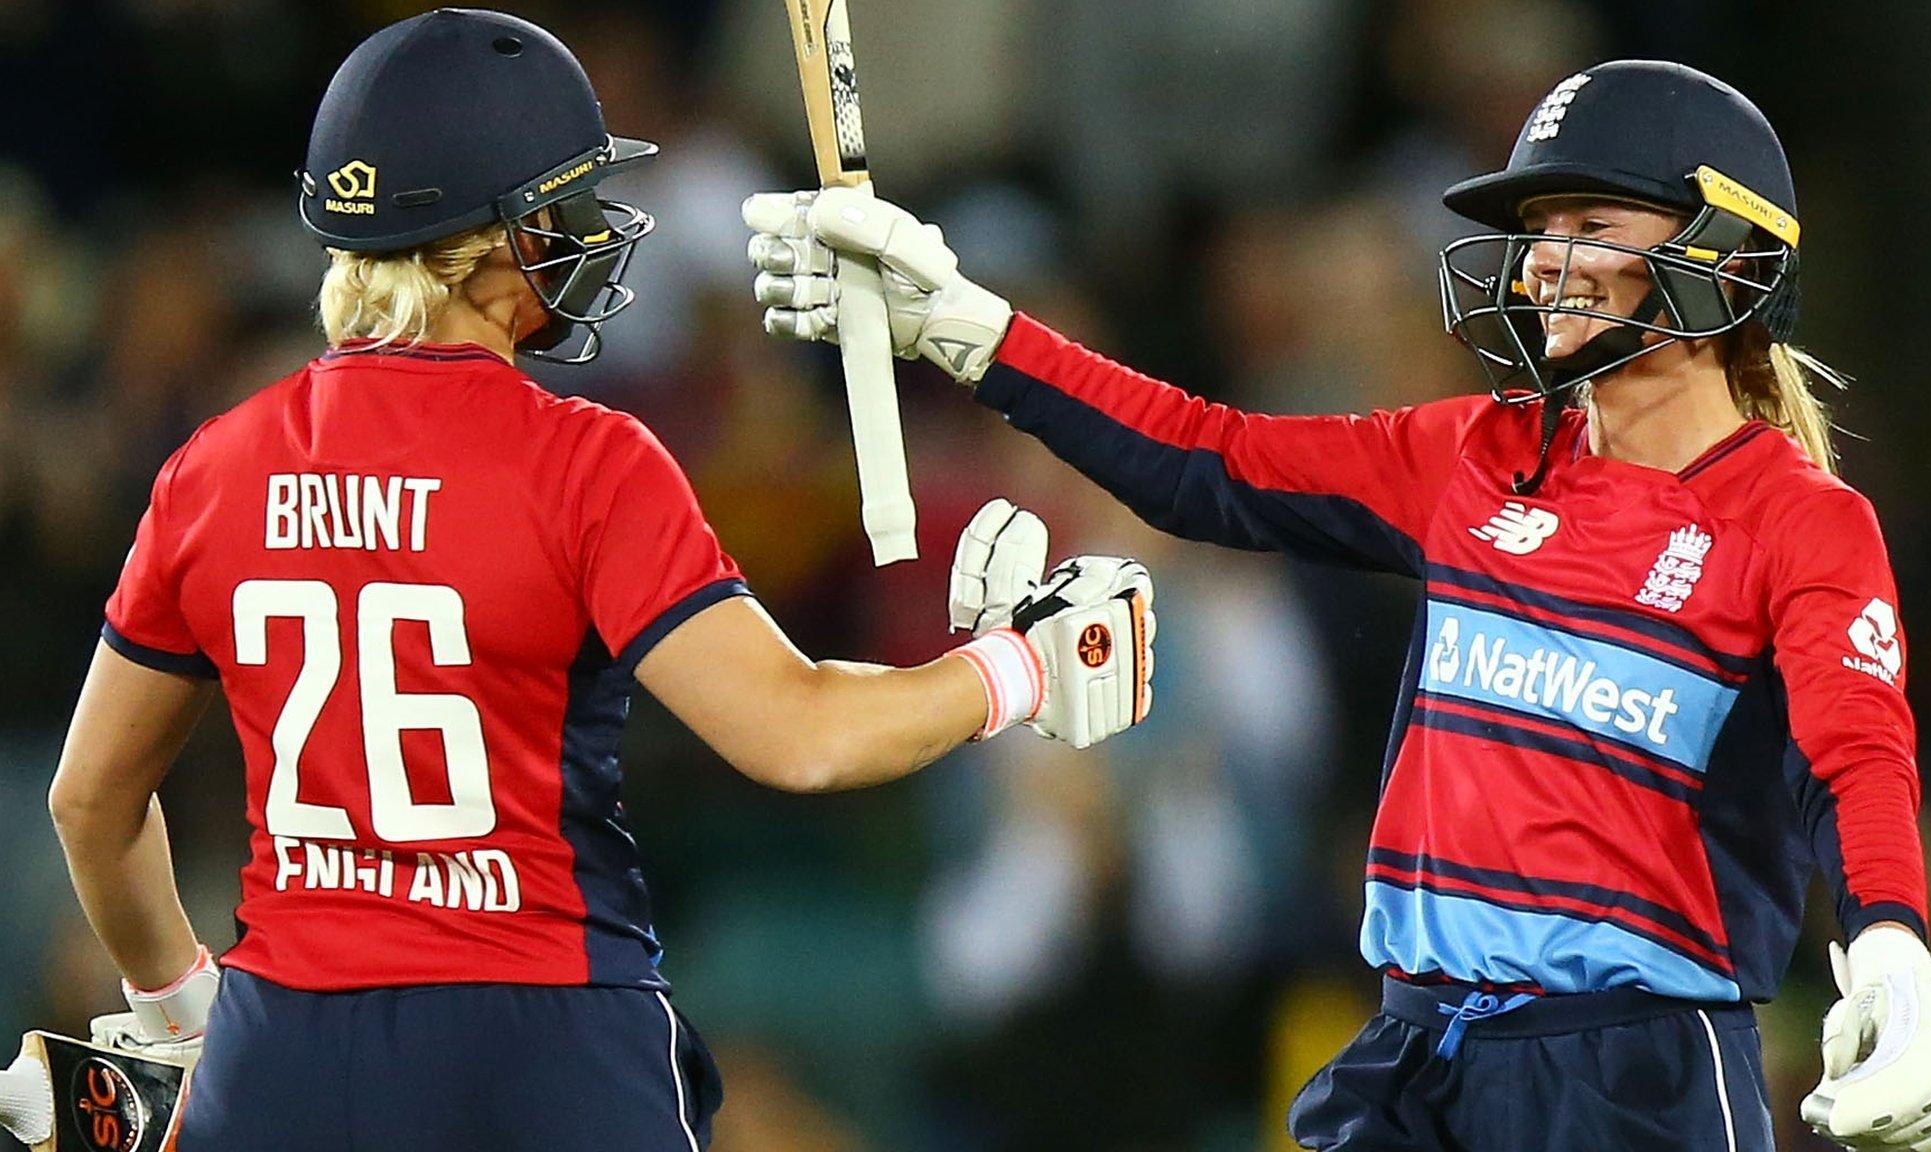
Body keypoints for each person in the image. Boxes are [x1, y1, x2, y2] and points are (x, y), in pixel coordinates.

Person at [745, 59, 1931, 1152]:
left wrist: (1888, 937)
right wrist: (968, 330)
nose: (1547, 258)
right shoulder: (1471, 451)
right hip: (1411, 1052)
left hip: (1633, 1075)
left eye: (1590, 218)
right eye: (1539, 224)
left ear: (1724, 256)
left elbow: (1858, 751)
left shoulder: (1798, 518)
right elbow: (1207, 459)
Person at [45, 10, 1156, 1152]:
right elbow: (800, 735)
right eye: (558, 209)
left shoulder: (212, 467)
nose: (585, 235)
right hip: (543, 1044)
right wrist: (1021, 665)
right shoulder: (581, 460)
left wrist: (180, 1013)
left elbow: (90, 802)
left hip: (283, 1056)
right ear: (484, 240)